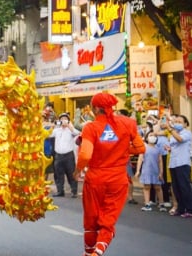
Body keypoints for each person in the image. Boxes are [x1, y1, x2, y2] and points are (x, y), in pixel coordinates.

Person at [73, 92, 145, 256]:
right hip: (118, 180)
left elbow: (85, 155)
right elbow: (141, 148)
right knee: (108, 221)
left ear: (95, 108)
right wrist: (122, 151)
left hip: (95, 179)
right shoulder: (128, 123)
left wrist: (78, 170)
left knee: (91, 221)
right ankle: (97, 253)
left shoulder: (91, 127)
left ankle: (89, 252)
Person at [164, 114, 192, 217]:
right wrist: (169, 148)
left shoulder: (187, 133)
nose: (177, 123)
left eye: (180, 122)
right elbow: (175, 146)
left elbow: (180, 140)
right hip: (173, 164)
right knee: (176, 188)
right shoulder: (174, 133)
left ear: (185, 124)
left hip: (183, 163)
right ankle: (181, 209)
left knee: (185, 187)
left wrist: (170, 129)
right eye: (176, 122)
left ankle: (190, 210)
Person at [50, 112, 80, 198]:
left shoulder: (70, 130)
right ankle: (60, 191)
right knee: (58, 174)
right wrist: (53, 126)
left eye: (65, 119)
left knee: (71, 174)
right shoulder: (56, 130)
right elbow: (48, 134)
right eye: (62, 119)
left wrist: (69, 126)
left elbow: (77, 133)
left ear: (68, 120)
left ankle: (74, 191)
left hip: (68, 156)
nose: (63, 121)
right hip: (58, 156)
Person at [135, 131, 164, 211]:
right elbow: (140, 159)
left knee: (158, 187)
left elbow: (160, 161)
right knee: (146, 187)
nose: (153, 137)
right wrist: (138, 171)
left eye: (154, 135)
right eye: (151, 135)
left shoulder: (158, 149)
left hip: (156, 171)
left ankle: (161, 204)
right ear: (147, 137)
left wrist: (161, 172)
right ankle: (147, 204)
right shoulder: (144, 147)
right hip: (146, 171)